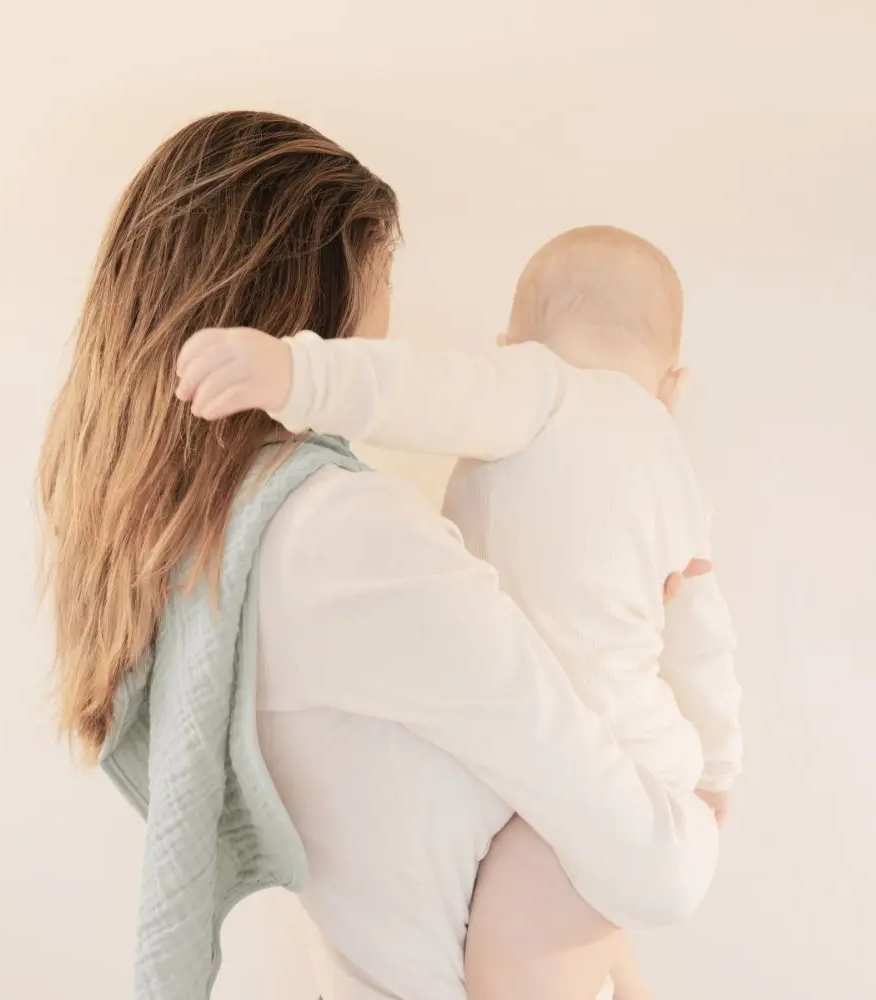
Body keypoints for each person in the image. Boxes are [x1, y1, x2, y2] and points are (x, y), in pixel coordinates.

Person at [40, 111, 719, 1000]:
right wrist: (710, 802)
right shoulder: (343, 534)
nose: (388, 339)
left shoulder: (208, 548)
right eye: (379, 286)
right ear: (312, 310)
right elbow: (653, 865)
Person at [175, 225, 742, 999]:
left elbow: (419, 390)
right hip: (650, 765)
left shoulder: (542, 389)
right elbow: (703, 642)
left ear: (511, 346)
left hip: (564, 801)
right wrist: (716, 773)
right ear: (673, 384)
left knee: (509, 967)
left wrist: (294, 373)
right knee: (576, 944)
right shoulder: (678, 472)